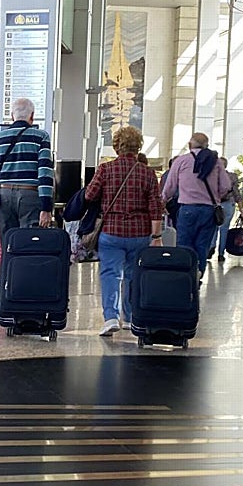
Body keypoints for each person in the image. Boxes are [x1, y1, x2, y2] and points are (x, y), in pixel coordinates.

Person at [84, 126, 165, 337]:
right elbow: (156, 206)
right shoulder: (148, 174)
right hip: (139, 233)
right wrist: (156, 236)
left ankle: (111, 317)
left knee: (111, 274)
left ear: (117, 146)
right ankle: (129, 317)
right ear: (138, 147)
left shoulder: (106, 169)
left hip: (111, 231)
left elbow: (90, 195)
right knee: (132, 275)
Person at [0, 98, 55, 243]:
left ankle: (9, 265)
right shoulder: (41, 137)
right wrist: (46, 207)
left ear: (12, 116)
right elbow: (45, 173)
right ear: (32, 116)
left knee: (8, 241)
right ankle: (26, 266)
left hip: (3, 195)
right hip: (30, 195)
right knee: (30, 241)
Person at [159, 132, 231, 277]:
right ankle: (199, 275)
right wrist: (215, 197)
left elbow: (170, 186)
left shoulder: (181, 161)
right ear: (206, 146)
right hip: (209, 210)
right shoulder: (216, 162)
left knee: (184, 244)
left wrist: (163, 200)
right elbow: (226, 186)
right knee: (202, 245)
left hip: (187, 209)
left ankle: (186, 276)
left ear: (190, 145)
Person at [211, 157, 243, 263]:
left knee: (214, 228)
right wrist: (241, 209)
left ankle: (211, 247)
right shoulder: (232, 177)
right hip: (229, 204)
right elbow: (237, 194)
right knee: (224, 229)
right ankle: (221, 254)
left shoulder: (211, 177)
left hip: (215, 205)